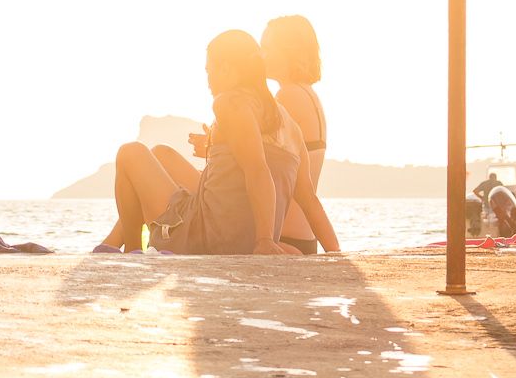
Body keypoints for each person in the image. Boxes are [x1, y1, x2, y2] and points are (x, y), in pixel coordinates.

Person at [96, 29, 340, 257]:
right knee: (161, 153)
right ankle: (124, 248)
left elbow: (258, 169)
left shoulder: (230, 103)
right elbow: (310, 201)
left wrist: (264, 241)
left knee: (130, 153)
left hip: (209, 237)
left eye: (209, 71)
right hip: (240, 236)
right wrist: (335, 254)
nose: (208, 80)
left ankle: (131, 253)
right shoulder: (290, 126)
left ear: (227, 69)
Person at [260, 14, 328, 252]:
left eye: (267, 47)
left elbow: (258, 166)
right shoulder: (308, 95)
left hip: (284, 238)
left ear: (289, 51)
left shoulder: (287, 97)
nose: (260, 54)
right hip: (305, 237)